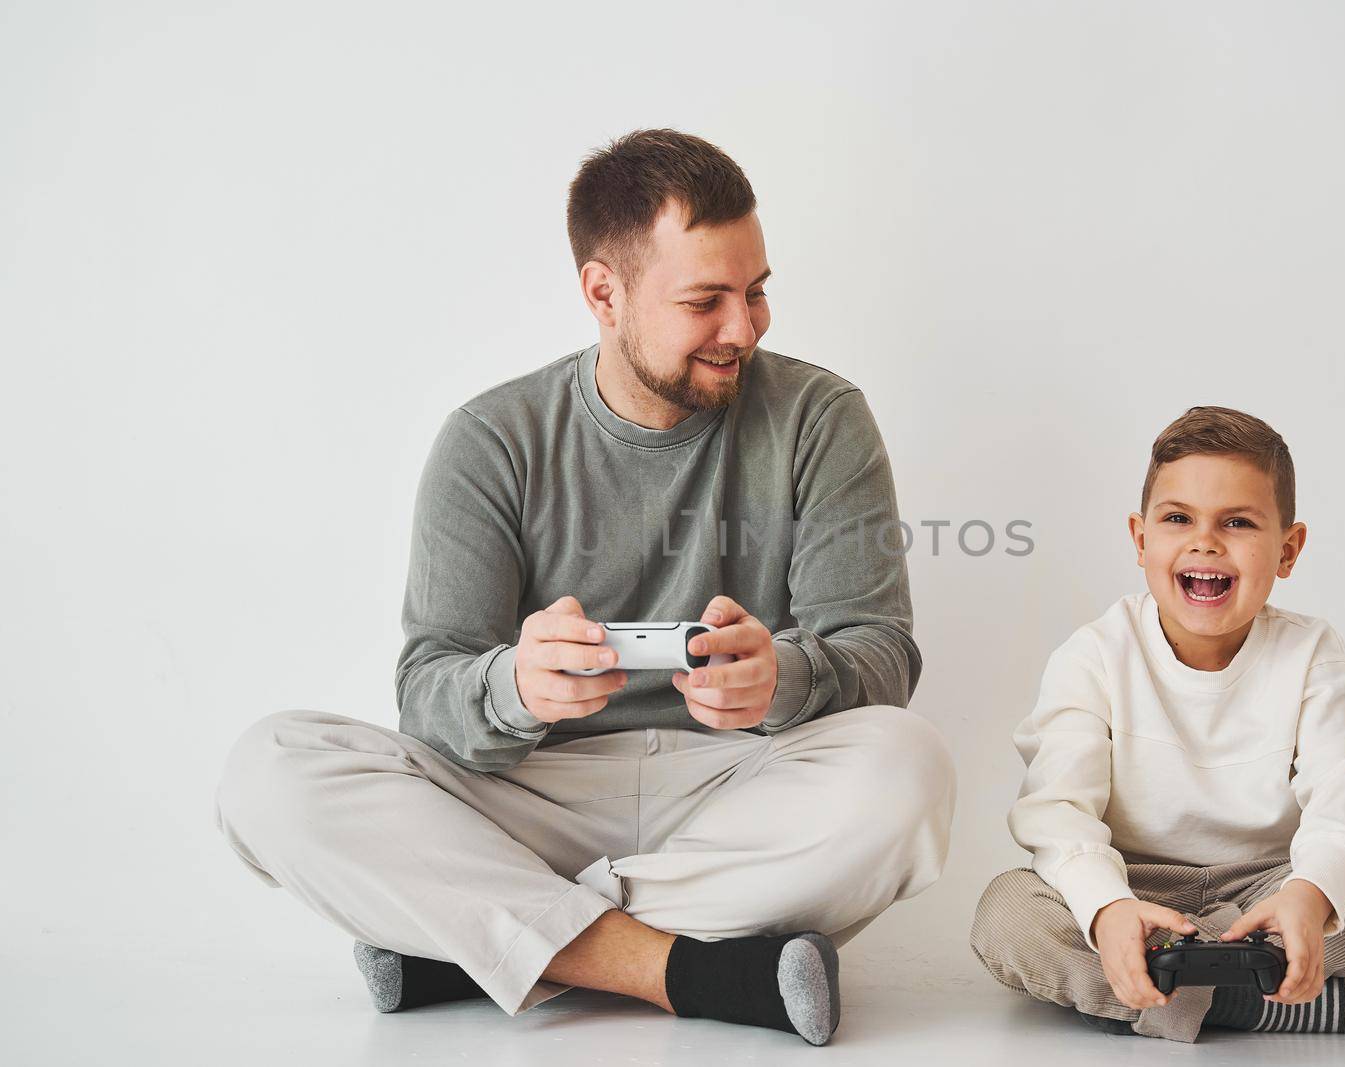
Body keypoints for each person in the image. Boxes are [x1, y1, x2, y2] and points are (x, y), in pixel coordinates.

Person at [214, 128, 955, 1047]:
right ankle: (680, 967)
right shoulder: (491, 440)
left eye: (757, 292)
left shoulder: (818, 418)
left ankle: (480, 940)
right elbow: (427, 697)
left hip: (731, 782)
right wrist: (515, 687)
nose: (746, 327)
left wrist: (785, 679)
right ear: (604, 292)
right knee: (270, 772)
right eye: (705, 300)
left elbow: (880, 653)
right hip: (530, 789)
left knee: (909, 767)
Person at [969, 406, 1345, 1043]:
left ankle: (1174, 993)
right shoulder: (1093, 655)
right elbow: (1058, 810)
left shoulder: (1311, 652)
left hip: (1268, 890)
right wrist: (1109, 908)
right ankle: (1261, 1003)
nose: (1205, 542)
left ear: (1288, 550)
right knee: (1007, 916)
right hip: (1137, 886)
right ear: (1141, 538)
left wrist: (1311, 896)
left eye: (1237, 522)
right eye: (1178, 519)